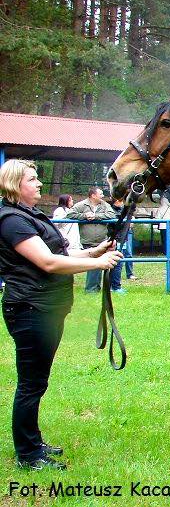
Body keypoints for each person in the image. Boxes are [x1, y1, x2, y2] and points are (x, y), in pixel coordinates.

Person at [0, 159, 121, 471]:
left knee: (37, 381)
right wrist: (99, 264)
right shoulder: (12, 221)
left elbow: (60, 255)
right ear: (15, 184)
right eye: (32, 179)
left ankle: (33, 443)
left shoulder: (28, 215)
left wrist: (93, 252)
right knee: (31, 383)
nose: (39, 183)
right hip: (30, 309)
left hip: (45, 309)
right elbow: (48, 263)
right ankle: (28, 455)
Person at [66, 187, 116, 293]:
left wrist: (96, 216)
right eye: (100, 193)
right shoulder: (82, 205)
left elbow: (112, 214)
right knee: (94, 264)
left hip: (102, 240)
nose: (102, 195)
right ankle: (91, 289)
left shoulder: (104, 205)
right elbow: (70, 214)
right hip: (87, 240)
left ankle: (95, 288)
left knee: (98, 265)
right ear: (93, 195)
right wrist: (84, 216)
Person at [109, 198, 135, 293]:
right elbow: (119, 223)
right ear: (118, 201)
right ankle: (116, 287)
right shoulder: (112, 210)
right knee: (117, 263)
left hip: (121, 238)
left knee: (117, 263)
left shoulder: (120, 210)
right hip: (118, 238)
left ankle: (114, 286)